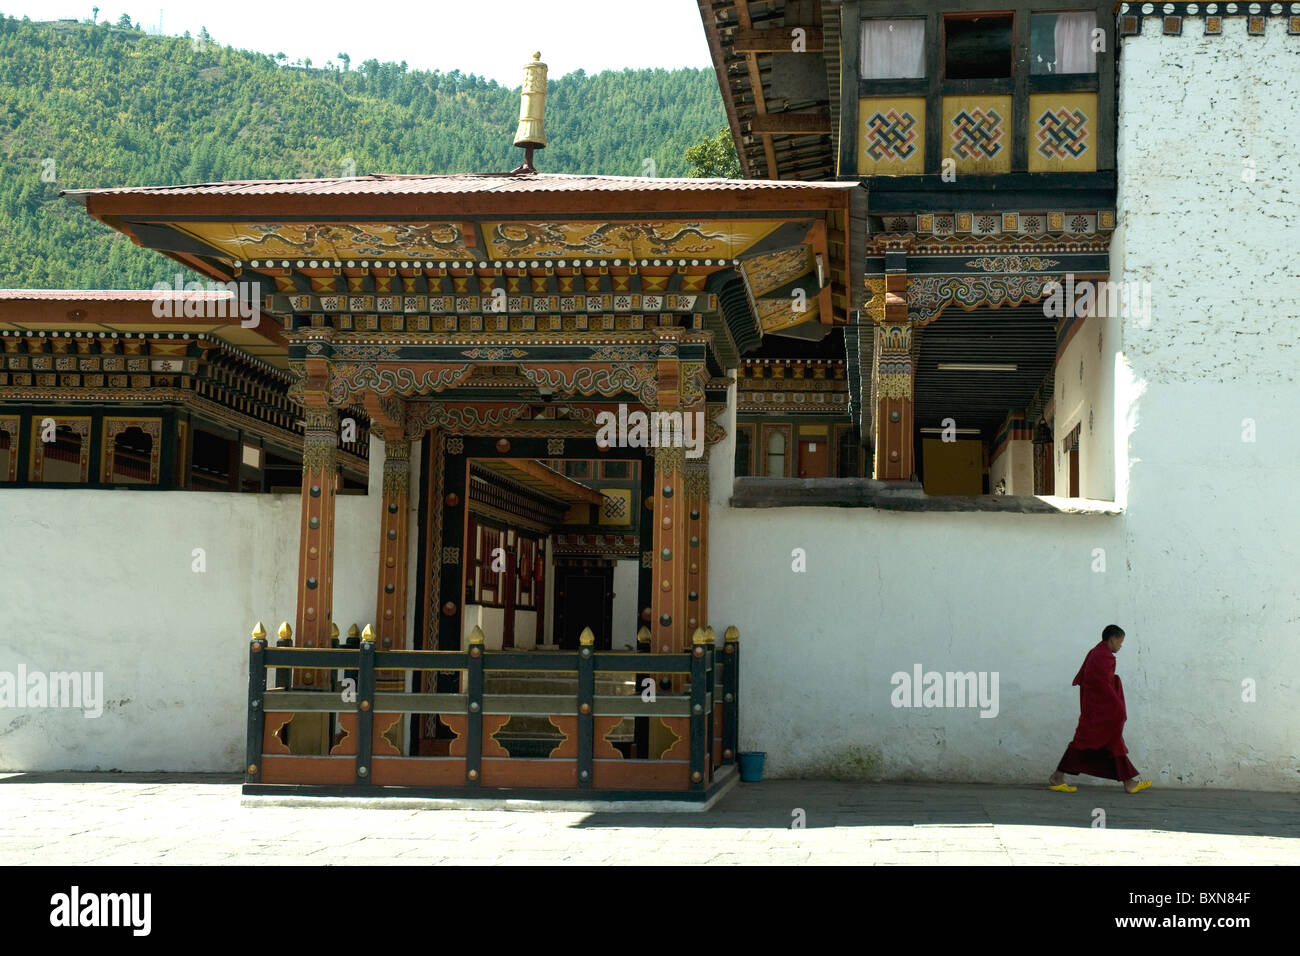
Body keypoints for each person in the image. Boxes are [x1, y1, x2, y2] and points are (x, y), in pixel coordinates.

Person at [1048, 625, 1152, 793]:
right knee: (1082, 743)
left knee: (1113, 741)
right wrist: (1117, 706)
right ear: (1112, 639)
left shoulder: (1097, 652)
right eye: (1120, 642)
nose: (1120, 646)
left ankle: (1129, 782)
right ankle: (1057, 777)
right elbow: (1102, 685)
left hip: (1095, 708)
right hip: (1098, 711)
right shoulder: (1104, 656)